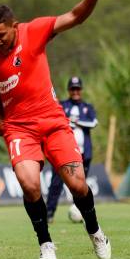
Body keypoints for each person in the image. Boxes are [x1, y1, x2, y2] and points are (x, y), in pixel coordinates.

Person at [0, 0, 119, 259]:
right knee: (29, 183)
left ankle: (96, 233)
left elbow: (74, 16)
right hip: (18, 128)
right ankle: (45, 244)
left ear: (14, 26)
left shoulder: (34, 31)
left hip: (52, 121)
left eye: (1, 34)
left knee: (77, 185)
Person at [46, 76, 98, 224]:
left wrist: (76, 122)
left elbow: (93, 122)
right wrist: (68, 121)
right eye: (72, 88)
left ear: (81, 90)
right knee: (56, 183)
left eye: (77, 88)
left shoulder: (87, 107)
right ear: (69, 90)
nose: (75, 91)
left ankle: (82, 212)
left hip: (83, 154)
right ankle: (49, 213)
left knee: (81, 186)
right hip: (63, 152)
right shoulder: (62, 105)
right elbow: (54, 119)